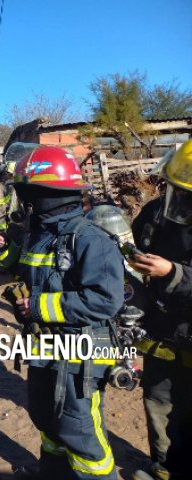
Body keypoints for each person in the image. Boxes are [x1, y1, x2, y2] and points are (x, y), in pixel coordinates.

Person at [0, 145, 125, 479]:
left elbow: (106, 300)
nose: (22, 203)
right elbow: (25, 273)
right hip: (43, 348)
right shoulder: (38, 236)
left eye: (26, 195)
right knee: (47, 420)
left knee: (79, 431)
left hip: (81, 354)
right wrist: (5, 253)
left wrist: (37, 307)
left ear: (42, 195)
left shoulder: (92, 240)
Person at [130, 140, 192, 480]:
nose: (177, 199)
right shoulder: (155, 213)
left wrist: (173, 274)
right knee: (158, 406)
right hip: (161, 338)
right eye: (175, 190)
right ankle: (163, 469)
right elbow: (134, 244)